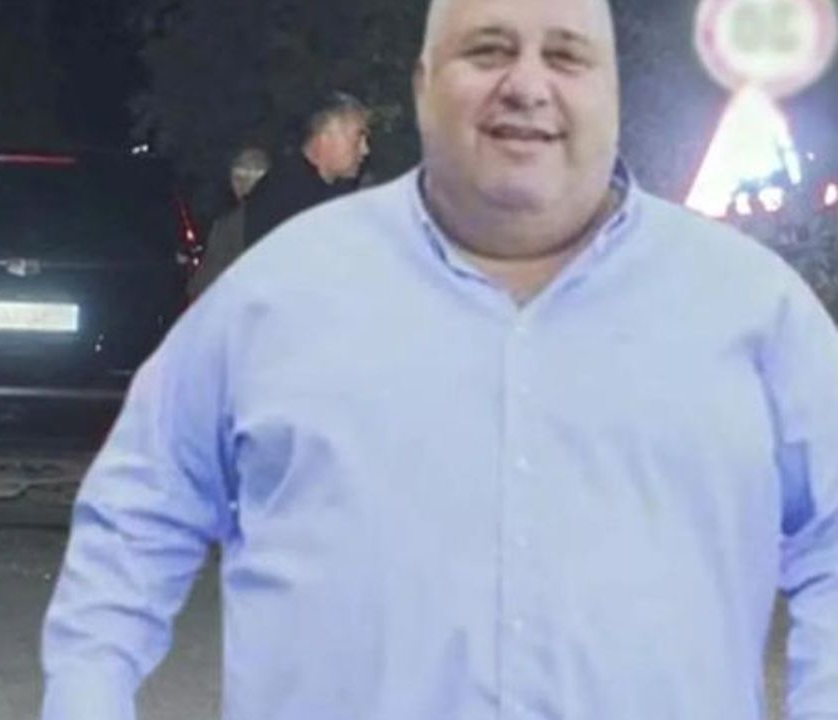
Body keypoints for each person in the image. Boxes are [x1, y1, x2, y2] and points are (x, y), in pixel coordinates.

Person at [42, 0, 838, 717]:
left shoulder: (748, 308)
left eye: (568, 55)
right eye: (487, 51)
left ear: (613, 90)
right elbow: (137, 516)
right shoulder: (278, 296)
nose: (527, 86)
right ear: (424, 87)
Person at [242, 91, 371, 245]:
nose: (365, 149)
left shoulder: (336, 193)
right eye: (358, 137)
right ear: (325, 136)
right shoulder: (284, 196)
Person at [188, 147, 272, 299]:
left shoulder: (228, 225)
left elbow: (205, 285)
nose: (241, 185)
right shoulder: (290, 218)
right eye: (239, 178)